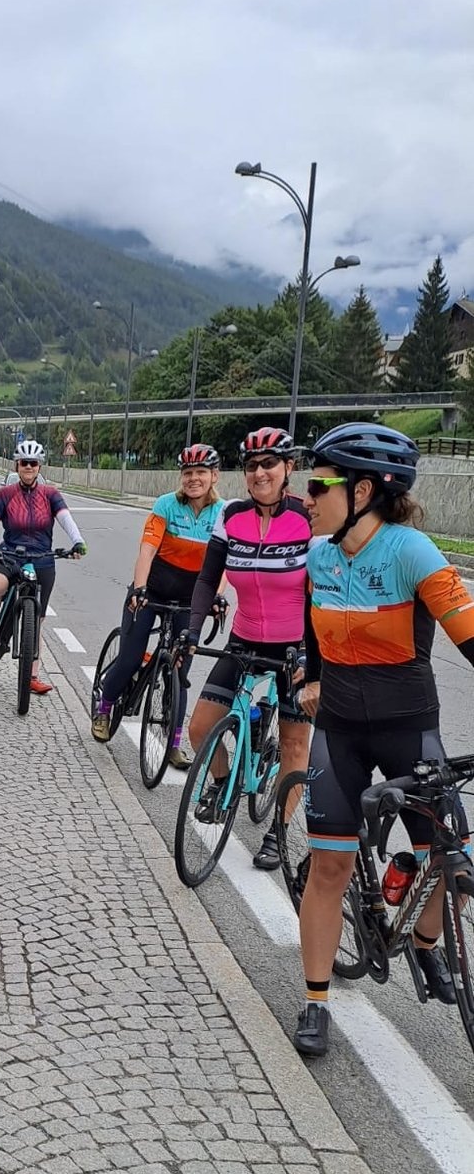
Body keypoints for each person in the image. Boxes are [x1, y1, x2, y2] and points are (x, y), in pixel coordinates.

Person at [291, 422, 474, 1056]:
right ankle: (316, 1000)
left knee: (452, 861)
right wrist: (311, 675)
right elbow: (314, 630)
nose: (305, 495)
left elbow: (470, 635)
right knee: (330, 866)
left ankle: (424, 945)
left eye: (319, 484)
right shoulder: (318, 554)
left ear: (363, 490)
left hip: (408, 730)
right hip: (340, 733)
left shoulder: (412, 551)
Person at [182, 427, 313, 870]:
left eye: (269, 464)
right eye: (252, 466)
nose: (260, 473)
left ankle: (278, 830)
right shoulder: (231, 516)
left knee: (296, 745)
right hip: (244, 637)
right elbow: (205, 580)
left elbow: (322, 590)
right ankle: (223, 782)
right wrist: (192, 632)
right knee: (201, 727)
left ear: (288, 468)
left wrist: (313, 656)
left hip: (294, 646)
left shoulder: (306, 518)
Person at [92, 444, 225, 767]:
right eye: (188, 473)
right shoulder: (166, 504)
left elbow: (223, 564)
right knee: (130, 658)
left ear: (214, 476)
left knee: (180, 673)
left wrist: (217, 597)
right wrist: (139, 588)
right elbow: (148, 550)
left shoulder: (223, 513)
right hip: (151, 592)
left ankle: (174, 744)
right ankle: (105, 707)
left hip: (188, 601)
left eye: (200, 473)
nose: (193, 479)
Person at [0, 439, 87, 696]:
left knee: (37, 620)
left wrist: (78, 542)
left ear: (39, 466)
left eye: (33, 463)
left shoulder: (50, 495)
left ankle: (32, 675)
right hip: (11, 555)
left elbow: (66, 519)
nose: (28, 467)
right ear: (17, 465)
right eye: (24, 463)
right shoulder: (5, 494)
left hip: (42, 559)